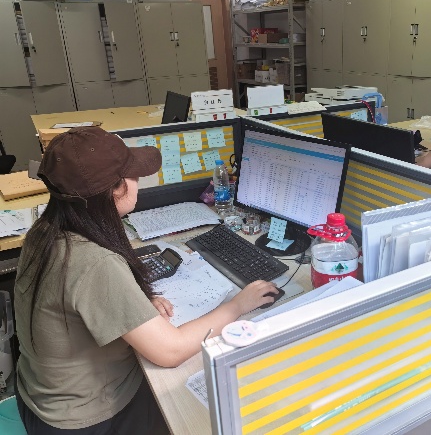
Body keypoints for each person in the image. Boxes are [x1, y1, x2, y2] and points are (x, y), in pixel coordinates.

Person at [14, 127, 278, 434]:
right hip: (86, 419)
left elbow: (79, 297)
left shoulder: (46, 231)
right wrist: (238, 305)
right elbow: (170, 352)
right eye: (133, 174)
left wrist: (135, 301)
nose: (138, 180)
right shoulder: (93, 262)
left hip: (41, 396)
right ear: (115, 189)